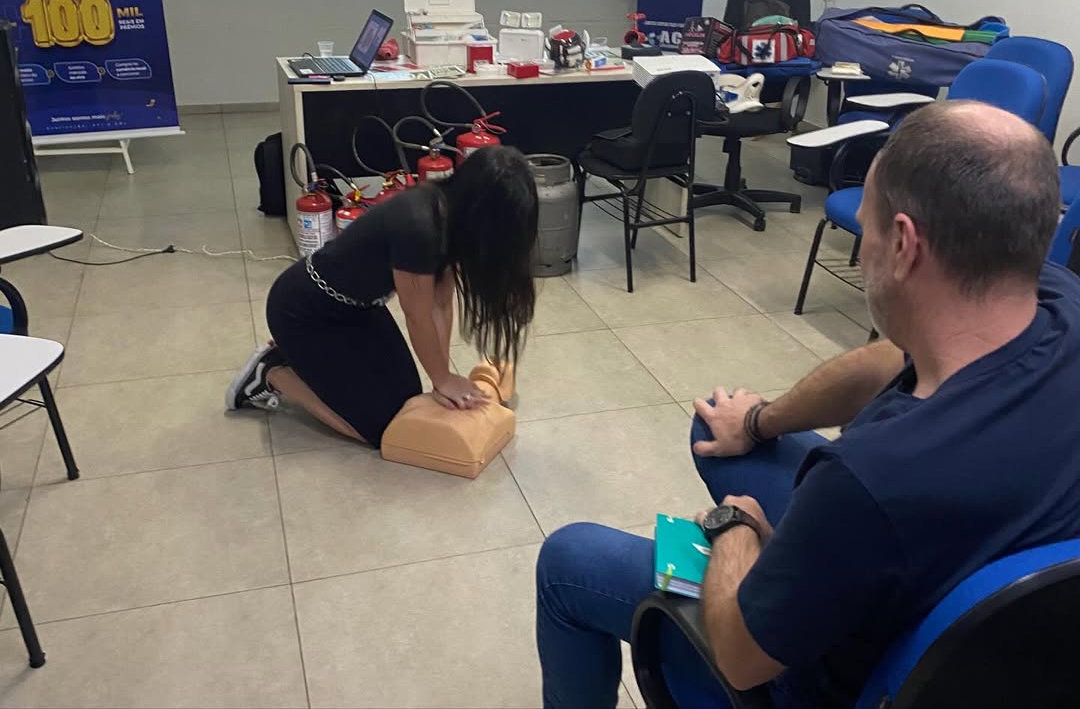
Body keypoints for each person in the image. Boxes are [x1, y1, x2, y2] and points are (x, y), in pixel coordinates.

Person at [535, 100, 1080, 709]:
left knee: (567, 561)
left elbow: (742, 660)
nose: (864, 245)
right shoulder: (1057, 298)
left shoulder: (868, 478)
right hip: (993, 633)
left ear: (904, 245)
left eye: (867, 227)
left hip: (812, 679)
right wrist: (758, 421)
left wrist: (734, 529)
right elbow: (889, 361)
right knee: (716, 430)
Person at [226, 145, 538, 448]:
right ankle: (272, 372)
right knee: (382, 428)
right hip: (304, 312)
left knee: (406, 401)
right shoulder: (420, 226)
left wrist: (440, 379)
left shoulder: (451, 217)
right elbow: (417, 315)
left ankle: (304, 360)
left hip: (358, 308)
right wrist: (443, 378)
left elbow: (440, 304)